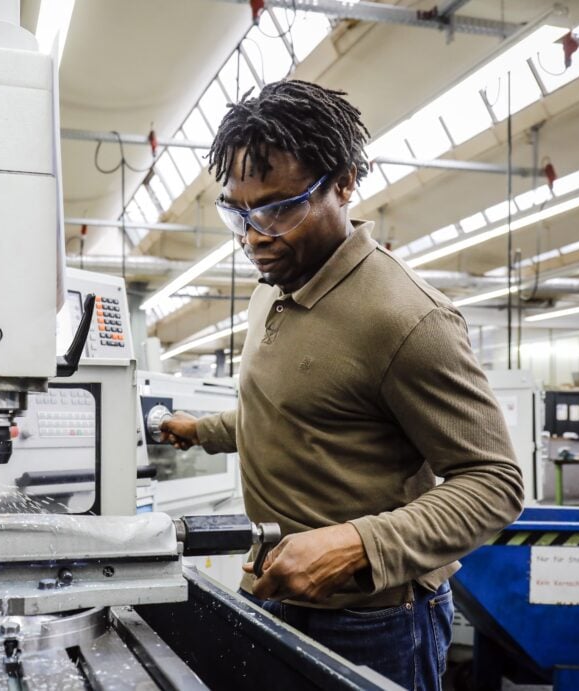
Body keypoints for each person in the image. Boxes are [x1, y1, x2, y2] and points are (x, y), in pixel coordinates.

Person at [160, 80, 524, 689]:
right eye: (238, 212)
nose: (254, 235)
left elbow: (494, 483)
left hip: (374, 622)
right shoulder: (270, 289)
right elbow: (289, 410)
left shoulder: (407, 318)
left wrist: (358, 544)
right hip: (277, 593)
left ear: (345, 182)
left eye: (278, 207)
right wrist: (201, 432)